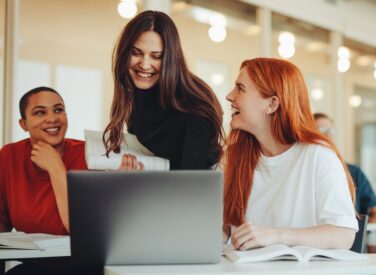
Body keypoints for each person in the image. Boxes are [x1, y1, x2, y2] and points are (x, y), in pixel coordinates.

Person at [223, 58, 357, 251]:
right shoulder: (232, 158)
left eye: (240, 88)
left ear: (271, 104)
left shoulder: (318, 156)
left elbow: (343, 235)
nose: (229, 96)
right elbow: (224, 230)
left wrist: (275, 235)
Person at [103, 10, 223, 170]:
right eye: (136, 53)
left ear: (170, 58)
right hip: (161, 185)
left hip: (194, 189)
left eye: (156, 56)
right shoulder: (138, 93)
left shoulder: (194, 105)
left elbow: (189, 183)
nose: (144, 65)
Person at [0, 86, 86, 235]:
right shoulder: (8, 156)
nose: (52, 119)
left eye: (59, 110)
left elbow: (82, 229)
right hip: (29, 257)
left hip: (78, 257)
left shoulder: (89, 154)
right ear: (24, 124)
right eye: (40, 112)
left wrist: (56, 168)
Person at [313, 113, 376, 224]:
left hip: (350, 238)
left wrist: (364, 236)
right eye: (322, 130)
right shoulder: (304, 172)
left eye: (331, 131)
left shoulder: (354, 172)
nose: (328, 136)